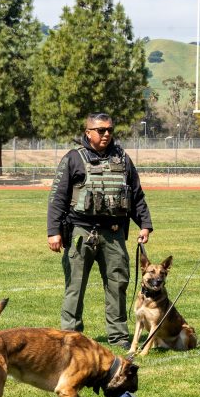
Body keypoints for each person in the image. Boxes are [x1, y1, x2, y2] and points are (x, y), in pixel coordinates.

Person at [47, 112, 153, 349]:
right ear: (88, 133)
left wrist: (144, 223)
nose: (106, 134)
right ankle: (70, 336)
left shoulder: (123, 158)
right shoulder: (73, 158)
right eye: (101, 130)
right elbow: (57, 197)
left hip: (113, 233)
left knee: (117, 284)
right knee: (75, 286)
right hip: (80, 231)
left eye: (110, 130)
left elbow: (135, 194)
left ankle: (118, 336)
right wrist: (53, 231)